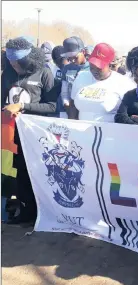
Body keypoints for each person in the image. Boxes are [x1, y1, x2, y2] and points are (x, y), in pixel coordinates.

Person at [1, 37, 58, 225]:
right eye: (10, 62)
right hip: (11, 134)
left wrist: (23, 106)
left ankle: (42, 212)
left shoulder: (44, 73)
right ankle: (24, 212)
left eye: (18, 63)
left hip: (35, 134)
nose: (14, 66)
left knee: (36, 173)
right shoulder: (7, 73)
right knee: (18, 174)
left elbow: (51, 106)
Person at [67, 43, 135, 122]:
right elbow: (72, 106)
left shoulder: (124, 83)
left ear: (110, 65)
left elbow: (132, 113)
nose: (94, 70)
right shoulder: (81, 77)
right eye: (92, 66)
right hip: (82, 133)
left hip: (111, 132)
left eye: (99, 67)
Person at [60, 36, 90, 118]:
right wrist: (68, 107)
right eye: (69, 58)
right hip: (70, 111)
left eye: (75, 57)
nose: (72, 60)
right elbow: (65, 92)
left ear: (83, 52)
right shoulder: (66, 68)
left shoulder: (92, 69)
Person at [50, 45, 69, 118]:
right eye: (56, 62)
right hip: (56, 108)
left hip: (68, 107)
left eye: (61, 60)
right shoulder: (52, 69)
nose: (59, 64)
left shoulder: (72, 68)